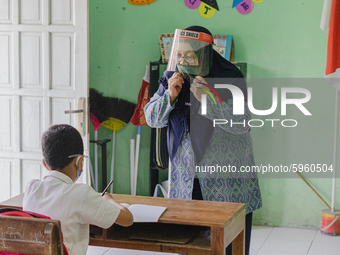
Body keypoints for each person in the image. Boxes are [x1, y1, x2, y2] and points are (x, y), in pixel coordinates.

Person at [144, 26, 262, 255]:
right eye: (178, 55)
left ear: (205, 54)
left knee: (228, 241)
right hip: (187, 177)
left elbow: (243, 122)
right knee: (188, 241)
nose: (183, 61)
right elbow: (152, 119)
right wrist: (169, 96)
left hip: (226, 180)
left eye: (190, 56)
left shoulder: (229, 76)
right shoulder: (172, 78)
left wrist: (208, 100)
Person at [23, 124, 133, 255]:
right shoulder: (81, 194)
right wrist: (109, 200)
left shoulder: (32, 188)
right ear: (80, 161)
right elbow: (127, 219)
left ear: (45, 164)